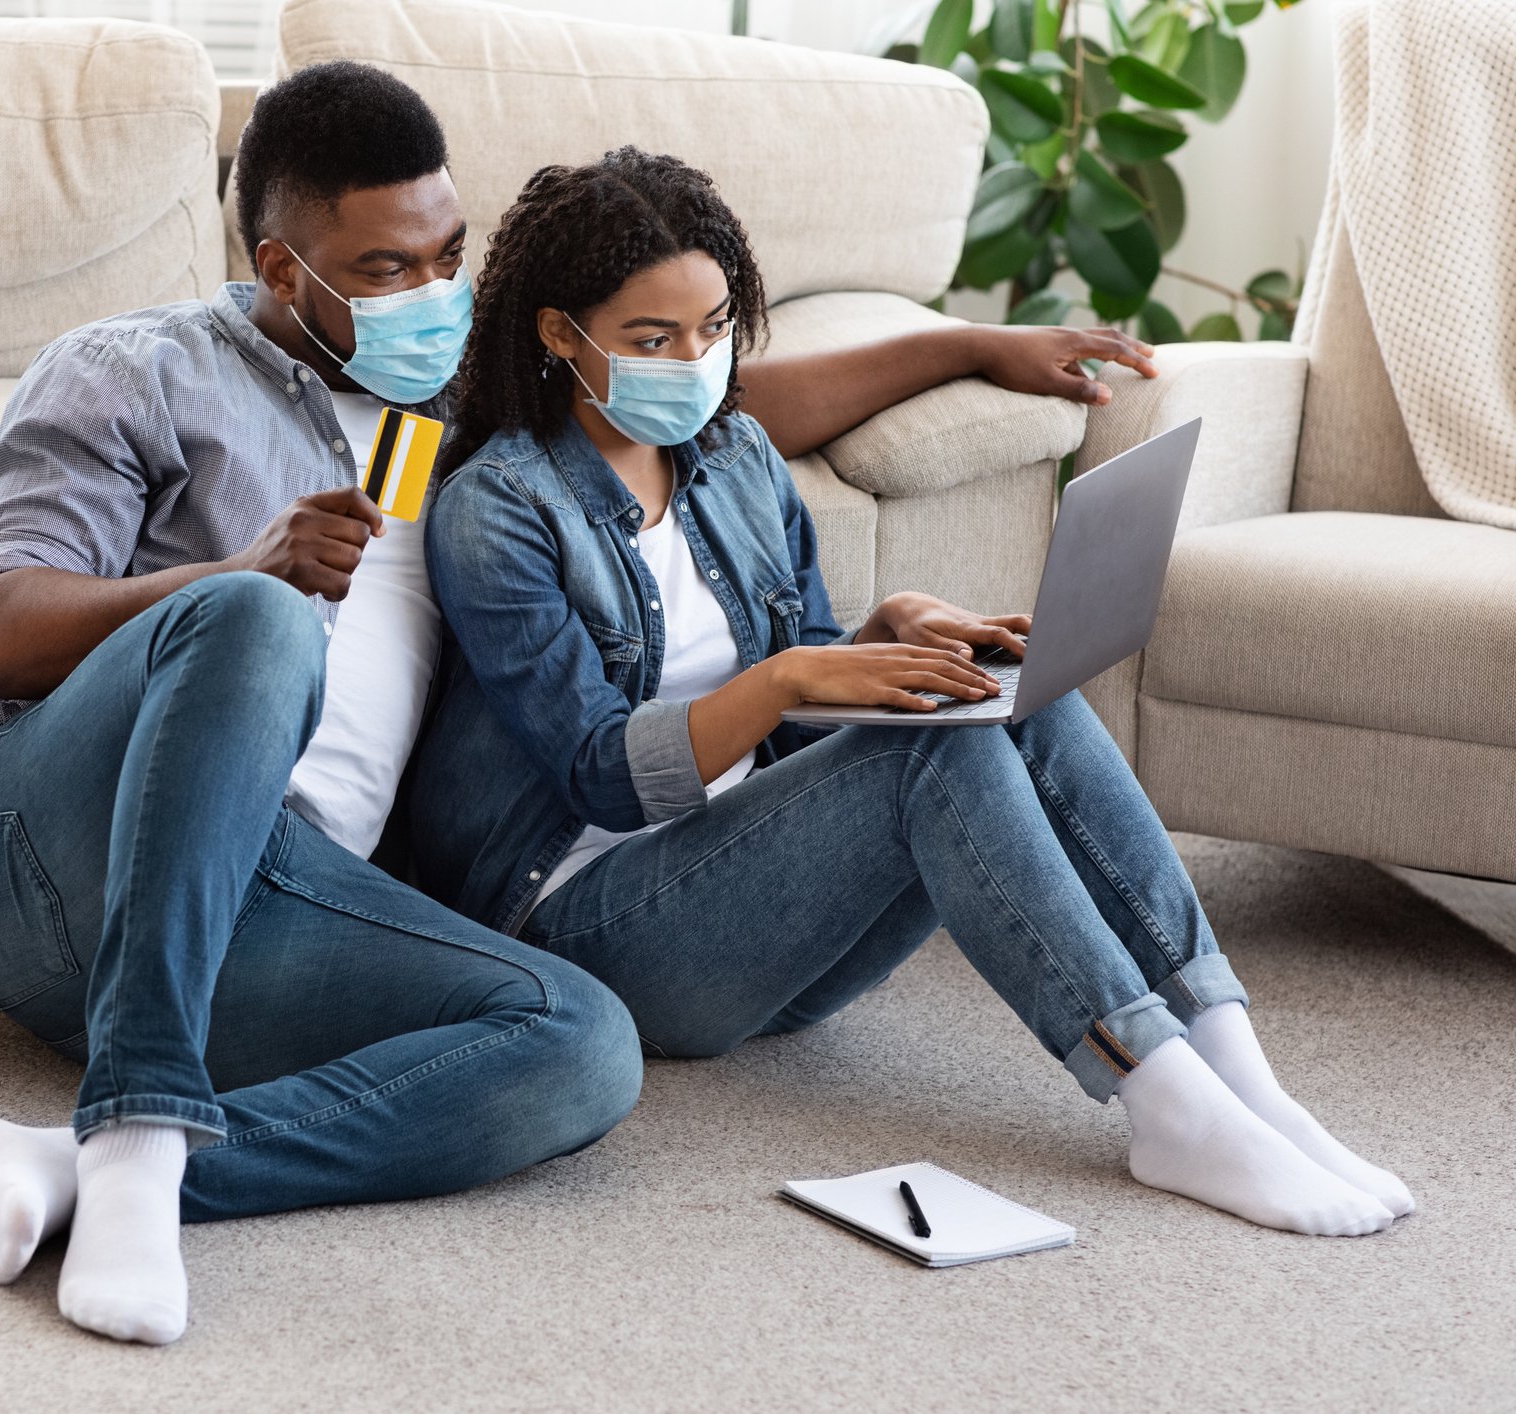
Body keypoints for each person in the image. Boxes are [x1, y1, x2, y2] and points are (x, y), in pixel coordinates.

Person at [0, 62, 1174, 1346]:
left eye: (449, 255)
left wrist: (969, 343)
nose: (432, 294)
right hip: (51, 861)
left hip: (279, 887)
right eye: (385, 270)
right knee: (253, 619)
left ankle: (83, 1173)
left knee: (581, 1041)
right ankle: (134, 1120)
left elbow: (712, 410)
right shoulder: (133, 370)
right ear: (283, 269)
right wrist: (237, 571)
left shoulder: (462, 386)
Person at [411, 146, 1415, 1240]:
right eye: (653, 340)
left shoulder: (734, 453)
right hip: (595, 931)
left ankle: (1233, 1067)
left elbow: (800, 671)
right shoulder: (497, 509)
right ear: (563, 335)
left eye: (712, 328)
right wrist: (790, 674)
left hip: (767, 939)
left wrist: (876, 639)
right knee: (932, 754)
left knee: (1005, 699)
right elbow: (600, 773)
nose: (694, 362)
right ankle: (1162, 1099)